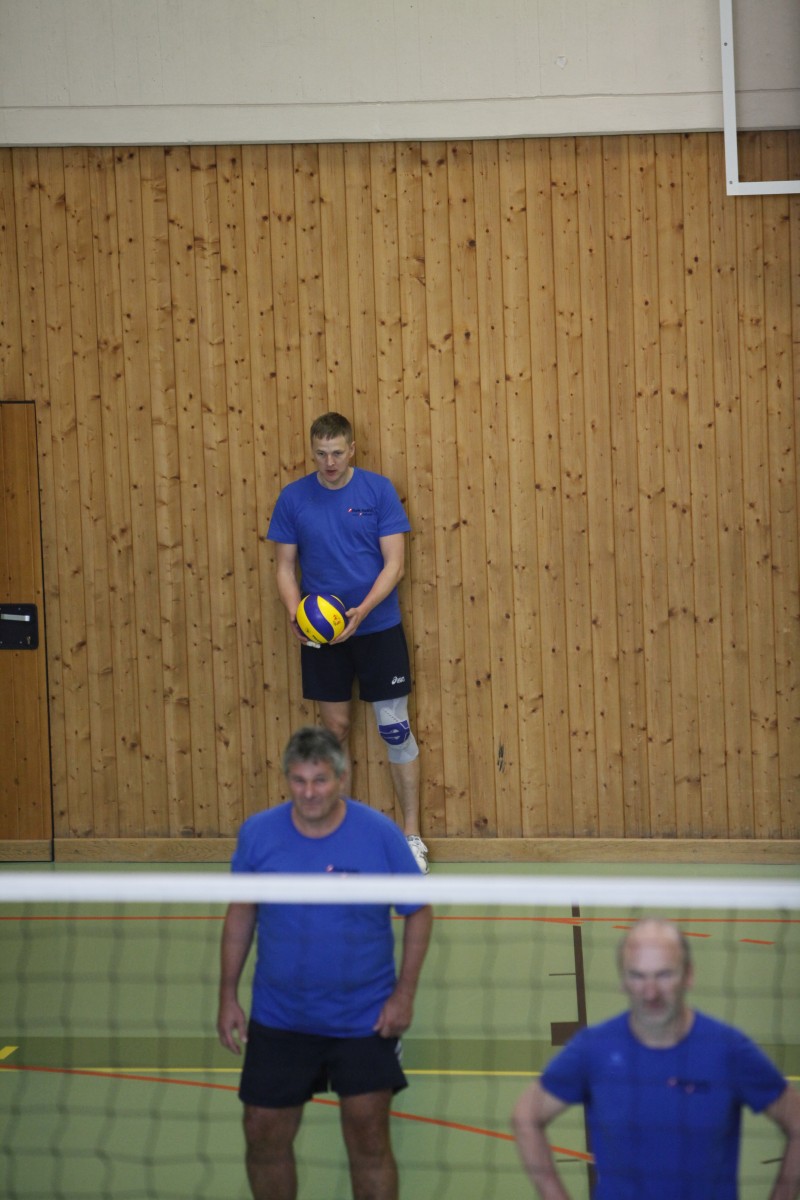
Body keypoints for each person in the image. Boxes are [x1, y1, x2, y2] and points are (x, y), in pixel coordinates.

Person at [217, 725, 433, 1200]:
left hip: (364, 1018)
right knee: (262, 1132)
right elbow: (241, 912)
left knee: (369, 1138)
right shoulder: (259, 834)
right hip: (280, 1017)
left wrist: (404, 996)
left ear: (341, 778)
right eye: (298, 780)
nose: (309, 792)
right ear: (287, 780)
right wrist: (227, 995)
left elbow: (418, 911)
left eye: (319, 780)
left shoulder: (378, 835)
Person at [512, 917, 800, 1200]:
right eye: (637, 976)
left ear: (689, 975)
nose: (650, 993)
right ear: (623, 981)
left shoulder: (728, 1050)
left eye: (664, 975)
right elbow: (525, 1116)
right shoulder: (594, 1049)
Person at [267, 411, 428, 873]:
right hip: (323, 635)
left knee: (394, 728)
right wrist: (295, 613)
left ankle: (411, 837)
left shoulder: (378, 491)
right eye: (321, 454)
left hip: (377, 627)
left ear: (352, 449)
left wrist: (363, 611)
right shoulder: (293, 498)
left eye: (337, 452)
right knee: (334, 731)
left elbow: (394, 564)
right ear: (312, 451)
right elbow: (284, 568)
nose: (330, 462)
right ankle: (342, 843)